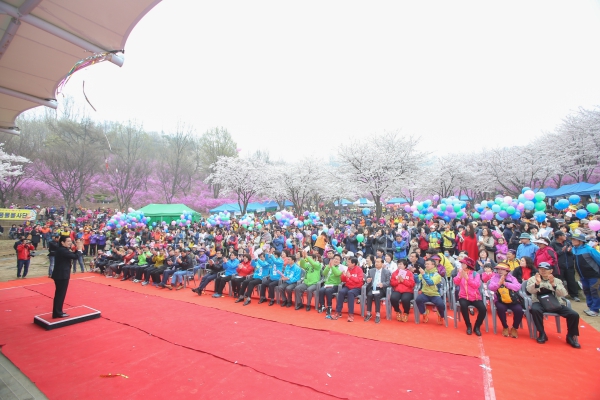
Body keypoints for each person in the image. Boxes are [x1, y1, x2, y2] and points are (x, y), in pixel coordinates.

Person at [527, 262, 581, 348]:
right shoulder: (533, 279)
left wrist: (553, 284)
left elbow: (564, 293)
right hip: (539, 302)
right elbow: (530, 291)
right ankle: (542, 333)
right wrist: (537, 283)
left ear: (551, 270)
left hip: (556, 302)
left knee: (574, 314)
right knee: (535, 310)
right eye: (541, 269)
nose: (543, 271)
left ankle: (571, 336)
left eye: (545, 269)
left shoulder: (557, 280)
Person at [487, 263, 523, 338]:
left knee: (519, 310)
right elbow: (491, 287)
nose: (500, 271)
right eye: (498, 269)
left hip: (512, 300)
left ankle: (514, 328)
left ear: (507, 271)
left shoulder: (512, 278)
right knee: (500, 308)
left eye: (502, 269)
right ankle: (505, 326)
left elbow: (517, 287)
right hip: (500, 300)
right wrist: (499, 283)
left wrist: (505, 283)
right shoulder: (494, 277)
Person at [52, 236, 84, 318]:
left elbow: (73, 254)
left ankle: (58, 311)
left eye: (70, 241)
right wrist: (79, 248)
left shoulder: (63, 249)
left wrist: (77, 248)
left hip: (61, 274)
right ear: (62, 242)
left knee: (60, 294)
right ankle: (57, 312)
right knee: (60, 294)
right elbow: (75, 256)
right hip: (61, 275)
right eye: (68, 241)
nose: (70, 242)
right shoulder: (62, 250)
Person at [453, 256, 486, 336]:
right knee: (463, 306)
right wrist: (460, 277)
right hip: (463, 296)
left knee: (483, 309)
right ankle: (468, 326)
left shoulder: (476, 274)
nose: (461, 264)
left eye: (463, 263)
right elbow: (456, 282)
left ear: (467, 265)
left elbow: (476, 285)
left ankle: (477, 326)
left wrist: (467, 278)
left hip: (475, 297)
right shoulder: (460, 272)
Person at [571, 233, 600, 317]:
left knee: (595, 291)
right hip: (583, 275)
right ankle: (590, 307)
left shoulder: (589, 249)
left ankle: (595, 310)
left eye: (574, 239)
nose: (572, 241)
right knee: (587, 291)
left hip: (594, 275)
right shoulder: (574, 249)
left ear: (580, 241)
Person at [331, 257, 364, 322]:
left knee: (350, 293)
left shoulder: (359, 270)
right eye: (347, 261)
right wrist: (343, 275)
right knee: (341, 292)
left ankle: (350, 314)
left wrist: (350, 277)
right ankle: (338, 312)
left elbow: (359, 281)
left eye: (349, 262)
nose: (347, 263)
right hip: (348, 286)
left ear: (353, 263)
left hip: (356, 288)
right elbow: (343, 280)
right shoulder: (347, 269)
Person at [415, 259, 445, 324]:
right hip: (425, 294)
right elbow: (417, 281)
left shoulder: (437, 275)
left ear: (433, 265)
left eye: (428, 264)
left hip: (435, 294)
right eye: (426, 264)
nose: (426, 265)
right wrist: (415, 273)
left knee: (441, 305)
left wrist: (423, 274)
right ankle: (424, 313)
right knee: (418, 300)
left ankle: (441, 315)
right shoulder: (423, 273)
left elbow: (431, 283)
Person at [551, 232, 579, 301]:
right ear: (559, 236)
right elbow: (552, 255)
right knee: (560, 281)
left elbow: (572, 254)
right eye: (563, 235)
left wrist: (570, 251)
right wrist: (561, 251)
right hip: (559, 266)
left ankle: (574, 295)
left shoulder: (567, 243)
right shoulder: (553, 244)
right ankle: (561, 295)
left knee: (571, 280)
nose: (565, 236)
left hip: (569, 265)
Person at [364, 257, 391, 323]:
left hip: (381, 288)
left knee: (376, 295)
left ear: (382, 263)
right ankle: (368, 313)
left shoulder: (386, 272)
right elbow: (367, 280)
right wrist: (368, 280)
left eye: (378, 262)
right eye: (376, 262)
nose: (376, 263)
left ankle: (377, 314)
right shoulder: (371, 270)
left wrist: (383, 284)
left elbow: (389, 282)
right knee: (369, 295)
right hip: (373, 288)